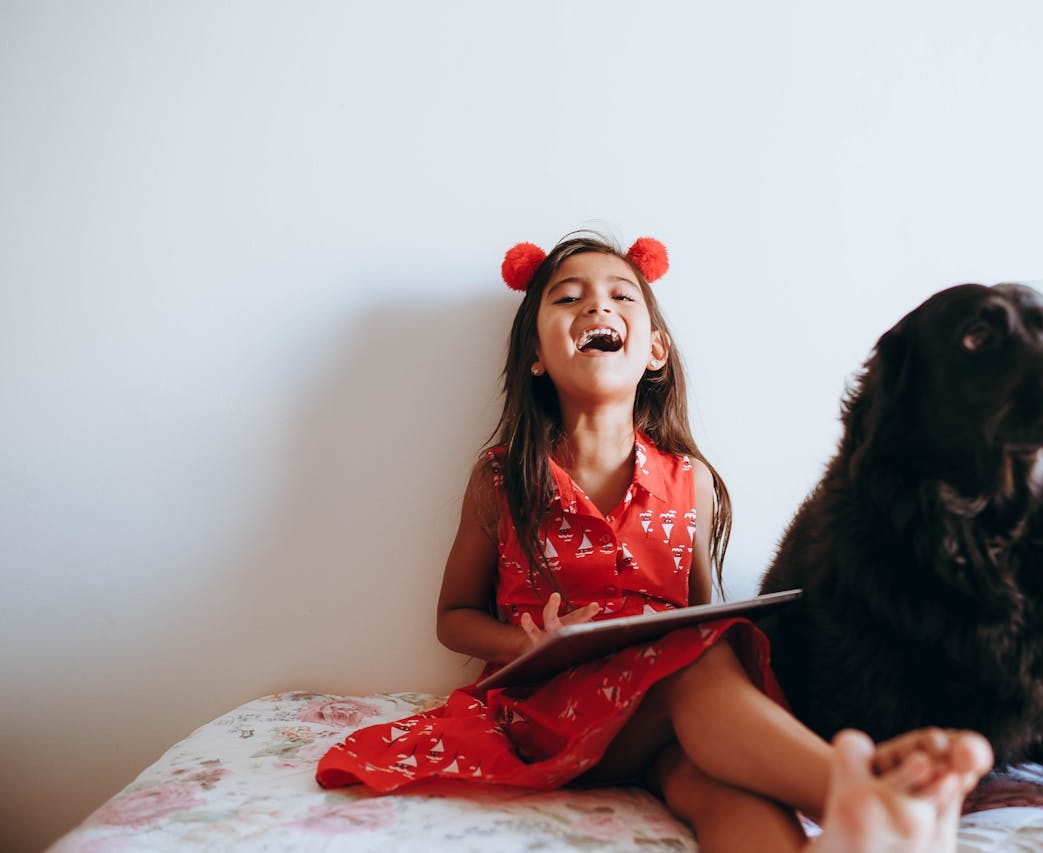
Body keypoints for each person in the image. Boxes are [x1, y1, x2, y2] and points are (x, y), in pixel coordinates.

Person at [316, 232, 993, 851]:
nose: (595, 308)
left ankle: (839, 839)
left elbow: (699, 616)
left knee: (716, 776)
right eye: (568, 297)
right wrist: (522, 642)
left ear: (656, 350)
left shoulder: (687, 479)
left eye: (619, 296)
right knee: (691, 670)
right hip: (556, 712)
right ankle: (868, 791)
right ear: (534, 358)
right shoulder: (501, 479)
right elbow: (452, 617)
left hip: (662, 718)